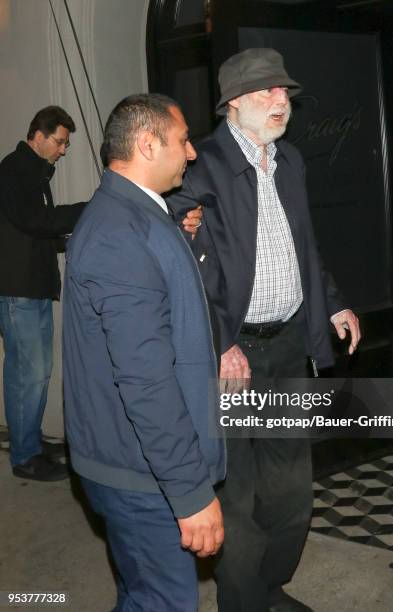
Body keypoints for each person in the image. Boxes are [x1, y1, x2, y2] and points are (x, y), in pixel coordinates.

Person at [168, 48, 361, 612]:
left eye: (284, 92)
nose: (283, 100)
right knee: (241, 493)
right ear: (233, 103)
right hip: (233, 357)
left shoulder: (291, 160)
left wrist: (333, 304)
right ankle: (244, 602)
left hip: (286, 347)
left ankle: (269, 589)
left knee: (292, 492)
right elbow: (180, 269)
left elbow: (304, 247)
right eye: (266, 92)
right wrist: (218, 341)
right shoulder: (197, 164)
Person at [63, 93, 225, 612]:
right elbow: (146, 383)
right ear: (148, 144)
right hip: (142, 477)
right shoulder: (120, 235)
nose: (193, 153)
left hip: (134, 467)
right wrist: (191, 492)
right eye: (182, 141)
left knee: (140, 597)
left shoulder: (131, 214)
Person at [0, 106, 85, 481]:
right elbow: (33, 221)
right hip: (17, 290)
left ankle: (29, 441)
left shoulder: (34, 174)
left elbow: (35, 236)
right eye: (60, 141)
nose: (63, 150)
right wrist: (88, 209)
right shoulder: (13, 171)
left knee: (37, 373)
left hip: (32, 287)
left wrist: (72, 240)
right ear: (39, 135)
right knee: (27, 374)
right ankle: (25, 457)